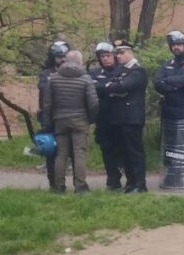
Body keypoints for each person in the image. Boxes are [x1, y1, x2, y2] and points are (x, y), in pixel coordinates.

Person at [41, 50, 99, 193]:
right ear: (81, 61)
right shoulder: (86, 79)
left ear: (65, 60)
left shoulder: (53, 78)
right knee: (79, 153)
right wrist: (90, 119)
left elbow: (47, 104)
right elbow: (94, 103)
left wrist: (48, 122)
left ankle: (59, 186)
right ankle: (80, 186)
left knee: (61, 154)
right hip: (80, 120)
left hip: (60, 120)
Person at [103, 39, 148, 193]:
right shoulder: (120, 70)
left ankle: (140, 184)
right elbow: (110, 85)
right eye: (117, 53)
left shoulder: (137, 70)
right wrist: (113, 88)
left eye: (121, 53)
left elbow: (122, 86)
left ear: (130, 52)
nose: (119, 56)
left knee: (134, 152)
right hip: (120, 118)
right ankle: (130, 183)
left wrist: (114, 88)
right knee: (124, 153)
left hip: (132, 117)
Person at [90, 42, 124, 190]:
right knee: (106, 149)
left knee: (121, 149)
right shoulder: (95, 73)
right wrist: (108, 87)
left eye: (108, 56)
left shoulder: (122, 71)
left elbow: (122, 88)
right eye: (102, 56)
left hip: (121, 117)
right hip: (103, 118)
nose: (105, 59)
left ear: (114, 56)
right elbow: (93, 88)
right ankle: (113, 178)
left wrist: (105, 87)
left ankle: (128, 177)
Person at [38, 40, 70, 190]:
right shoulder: (45, 74)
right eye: (59, 57)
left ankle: (79, 184)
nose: (62, 59)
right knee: (51, 152)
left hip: (69, 117)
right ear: (53, 58)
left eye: (65, 56)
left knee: (73, 153)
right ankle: (54, 184)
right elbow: (44, 91)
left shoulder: (74, 72)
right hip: (50, 118)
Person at [154, 30, 184, 121]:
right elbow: (157, 83)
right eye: (173, 45)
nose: (175, 47)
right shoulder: (167, 64)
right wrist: (173, 88)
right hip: (168, 112)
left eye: (178, 44)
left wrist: (167, 80)